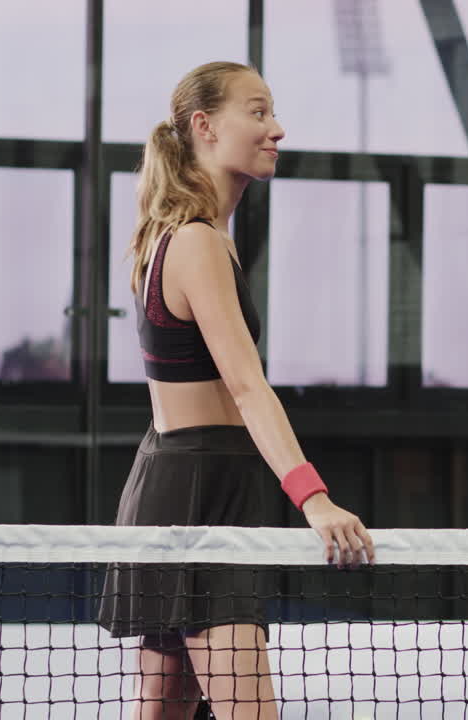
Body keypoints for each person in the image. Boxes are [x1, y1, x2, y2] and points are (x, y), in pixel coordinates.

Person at [97, 61, 376, 720]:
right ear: (204, 126)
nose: (276, 128)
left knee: (162, 706)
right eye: (257, 112)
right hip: (198, 494)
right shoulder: (195, 243)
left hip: (182, 480)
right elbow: (248, 389)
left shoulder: (185, 236)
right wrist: (315, 500)